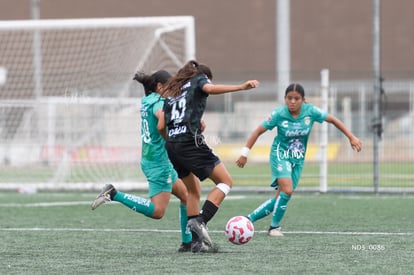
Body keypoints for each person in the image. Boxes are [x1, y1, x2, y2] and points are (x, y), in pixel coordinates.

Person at [236, 83, 362, 236]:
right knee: (287, 190)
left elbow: (333, 120)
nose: (293, 102)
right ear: (285, 99)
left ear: (303, 100)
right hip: (280, 154)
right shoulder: (279, 114)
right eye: (289, 98)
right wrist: (244, 153)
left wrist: (351, 137)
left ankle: (248, 220)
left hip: (298, 159)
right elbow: (257, 132)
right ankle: (274, 228)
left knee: (281, 197)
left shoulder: (311, 111)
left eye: (296, 98)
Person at [160, 60, 260, 252]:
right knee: (225, 182)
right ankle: (201, 220)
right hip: (190, 142)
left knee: (192, 191)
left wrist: (182, 134)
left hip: (172, 145)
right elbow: (209, 88)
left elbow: (162, 127)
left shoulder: (173, 93)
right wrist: (241, 87)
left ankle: (195, 243)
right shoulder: (200, 78)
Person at [91, 70, 193, 252]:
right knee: (158, 211)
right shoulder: (159, 103)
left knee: (185, 195)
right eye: (170, 87)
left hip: (153, 158)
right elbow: (162, 117)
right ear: (160, 87)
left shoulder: (147, 100)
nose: (173, 91)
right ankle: (114, 194)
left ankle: (187, 242)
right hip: (158, 163)